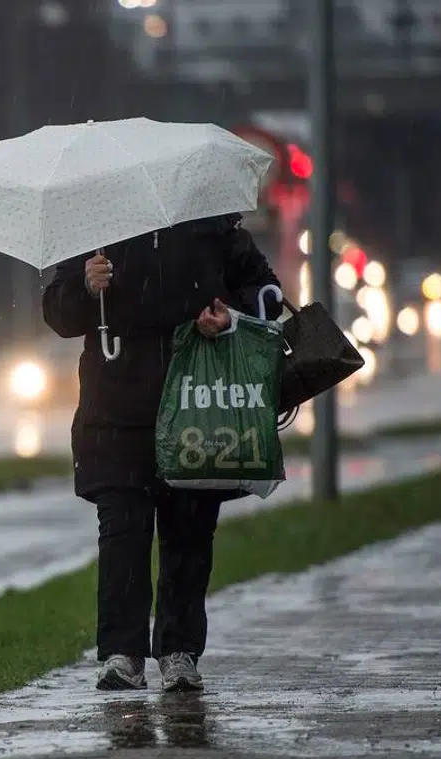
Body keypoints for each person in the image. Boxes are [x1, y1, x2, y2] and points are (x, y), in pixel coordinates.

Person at [41, 213, 284, 692]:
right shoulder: (93, 229)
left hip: (198, 406)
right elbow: (57, 312)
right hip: (115, 415)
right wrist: (87, 289)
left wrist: (229, 314)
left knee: (189, 534)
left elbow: (268, 296)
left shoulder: (212, 224)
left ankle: (179, 652)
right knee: (121, 536)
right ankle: (121, 655)